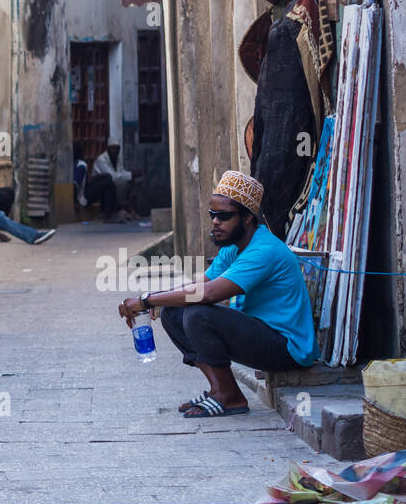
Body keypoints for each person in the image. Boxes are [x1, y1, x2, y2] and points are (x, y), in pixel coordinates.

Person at [116, 171, 319, 418]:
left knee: (199, 313)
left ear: (247, 217)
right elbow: (196, 285)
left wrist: (145, 300)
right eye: (212, 215)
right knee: (173, 312)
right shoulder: (233, 246)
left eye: (223, 216)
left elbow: (207, 293)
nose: (215, 222)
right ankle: (219, 389)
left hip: (287, 348)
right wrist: (150, 300)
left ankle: (230, 397)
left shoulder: (264, 250)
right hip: (259, 334)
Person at [89, 142, 139, 222]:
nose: (115, 151)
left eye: (117, 149)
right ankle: (109, 213)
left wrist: (131, 175)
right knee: (110, 183)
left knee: (129, 182)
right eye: (112, 148)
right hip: (96, 187)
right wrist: (131, 174)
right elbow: (112, 176)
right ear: (108, 149)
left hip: (109, 183)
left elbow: (121, 172)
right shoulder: (102, 159)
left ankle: (124, 207)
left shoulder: (117, 159)